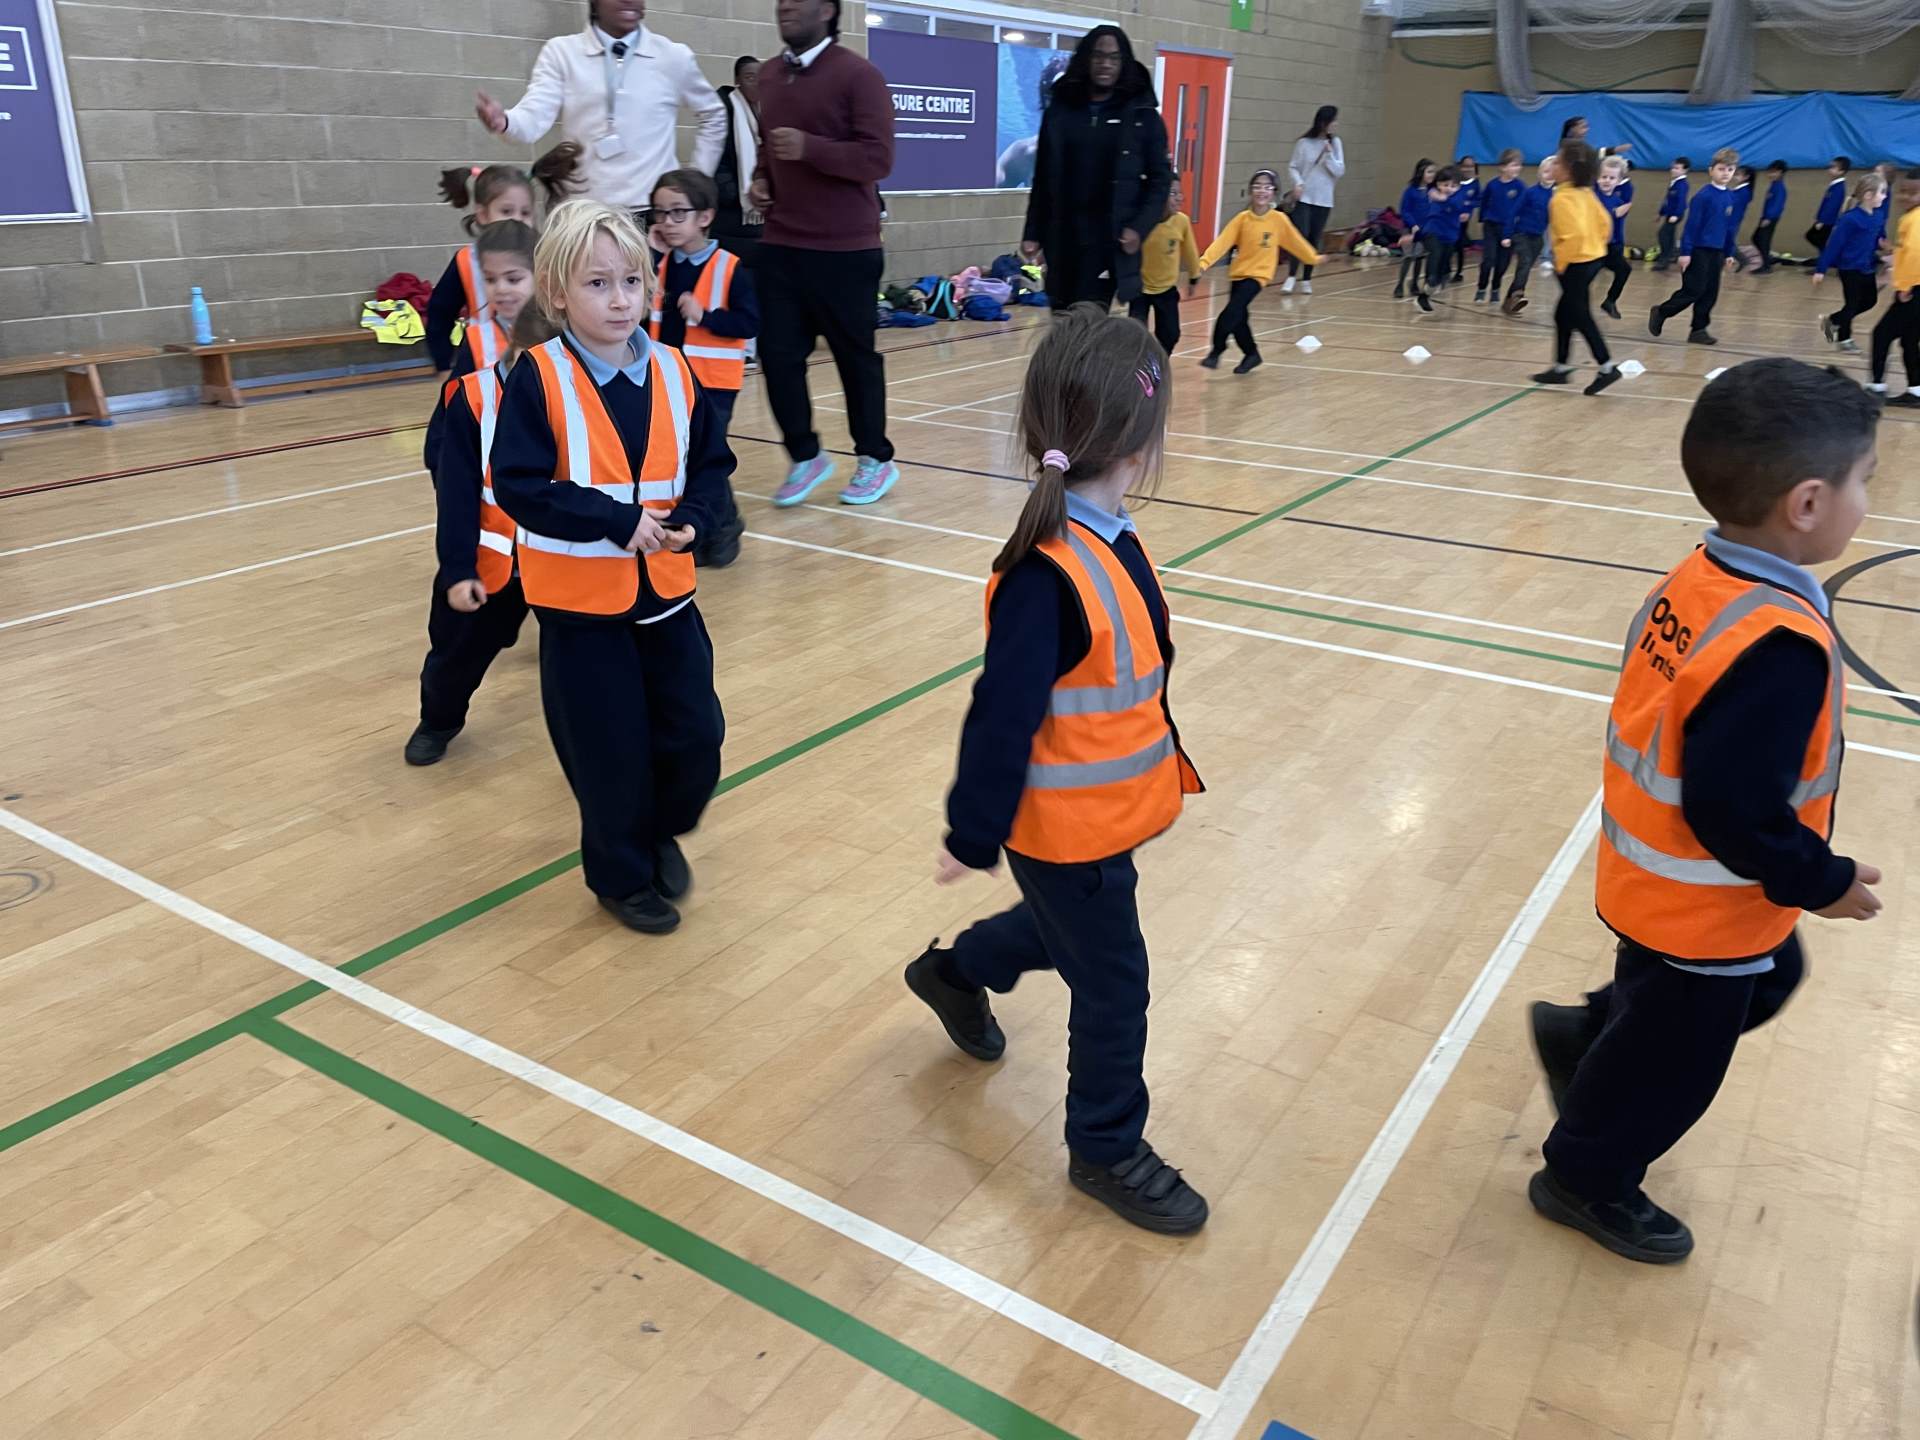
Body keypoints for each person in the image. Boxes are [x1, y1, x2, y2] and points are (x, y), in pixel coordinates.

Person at [1528, 357, 1882, 1264]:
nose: (1867, 501)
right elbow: (1736, 813)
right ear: (1807, 504)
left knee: (1762, 977)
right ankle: (1584, 1175)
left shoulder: (1702, 575)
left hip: (1656, 876)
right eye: (1864, 481)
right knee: (1676, 1068)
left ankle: (1586, 1037)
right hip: (1701, 902)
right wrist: (1823, 881)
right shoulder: (1775, 645)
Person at [906, 305, 1208, 1235]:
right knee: (1114, 984)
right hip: (1064, 834)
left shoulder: (1109, 535)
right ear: (1141, 443)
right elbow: (1001, 716)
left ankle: (954, 973)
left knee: (1067, 935)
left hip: (1101, 819)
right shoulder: (1047, 574)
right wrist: (971, 833)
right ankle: (1106, 1147)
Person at [490, 200, 732, 937]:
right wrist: (613, 519)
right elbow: (519, 486)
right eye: (597, 284)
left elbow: (711, 465)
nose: (620, 299)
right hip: (580, 612)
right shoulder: (539, 377)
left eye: (631, 281)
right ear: (558, 294)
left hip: (667, 599)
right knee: (608, 754)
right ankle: (621, 876)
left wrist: (697, 518)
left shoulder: (676, 371)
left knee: (696, 739)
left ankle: (658, 828)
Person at [406, 225, 547, 769]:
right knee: (456, 651)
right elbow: (452, 458)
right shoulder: (477, 358)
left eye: (514, 278)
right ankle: (438, 720)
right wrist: (458, 563)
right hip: (492, 551)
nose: (503, 290)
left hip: (559, 553)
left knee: (589, 656)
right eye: (492, 280)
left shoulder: (582, 354)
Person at [751, 0, 901, 510]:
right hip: (781, 243)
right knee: (777, 356)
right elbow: (767, 149)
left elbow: (878, 158)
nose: (785, 6)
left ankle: (875, 458)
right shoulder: (769, 76)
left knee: (855, 360)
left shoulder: (860, 75)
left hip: (845, 249)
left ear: (828, 10)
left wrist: (811, 148)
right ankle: (805, 455)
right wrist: (761, 180)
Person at [473, 0, 725, 215]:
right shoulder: (562, 52)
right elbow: (534, 116)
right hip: (584, 210)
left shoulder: (672, 56)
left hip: (653, 210)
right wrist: (504, 121)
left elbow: (714, 115)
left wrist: (696, 179)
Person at [1020, 26, 1173, 313]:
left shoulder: (1143, 117)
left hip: (1108, 238)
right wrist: (1032, 231)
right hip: (1063, 234)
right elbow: (1043, 178)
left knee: (1088, 315)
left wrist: (1139, 227)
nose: (1105, 64)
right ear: (1086, 59)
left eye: (1114, 58)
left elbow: (1160, 180)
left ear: (1123, 63)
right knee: (1062, 315)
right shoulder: (1060, 112)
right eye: (1099, 56)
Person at [646, 168, 755, 567]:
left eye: (678, 212)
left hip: (713, 384)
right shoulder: (659, 266)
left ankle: (724, 527)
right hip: (668, 381)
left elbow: (749, 323)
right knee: (682, 458)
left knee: (706, 456)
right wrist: (652, 252)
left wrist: (705, 315)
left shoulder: (730, 267)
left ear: (705, 217)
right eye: (660, 213)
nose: (667, 222)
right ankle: (704, 528)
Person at [425, 155, 584, 374]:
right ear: (483, 214)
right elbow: (440, 313)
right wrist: (444, 362)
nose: (516, 219)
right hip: (483, 360)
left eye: (525, 212)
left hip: (539, 355)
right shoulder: (466, 260)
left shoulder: (545, 255)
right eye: (507, 211)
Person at [1195, 169, 1321, 373]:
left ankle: (1216, 351)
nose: (1262, 191)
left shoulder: (1278, 220)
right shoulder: (1242, 219)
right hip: (1238, 274)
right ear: (1251, 191)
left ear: (1273, 192)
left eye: (1267, 187)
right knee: (1239, 319)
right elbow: (1222, 242)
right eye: (1257, 186)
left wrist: (1313, 258)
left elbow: (1296, 243)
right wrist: (1203, 263)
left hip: (1258, 277)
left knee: (1230, 312)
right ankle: (1252, 354)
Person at [1534, 141, 1620, 397]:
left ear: (1569, 169)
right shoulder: (1585, 192)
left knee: (1580, 315)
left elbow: (1573, 236)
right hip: (1593, 258)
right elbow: (1605, 223)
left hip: (1575, 263)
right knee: (1563, 314)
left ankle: (1607, 366)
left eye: (1557, 162)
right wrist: (1597, 245)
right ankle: (1560, 367)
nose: (1554, 165)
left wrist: (1561, 265)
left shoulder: (1561, 199)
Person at [1648, 148, 1740, 347]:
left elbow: (1730, 228)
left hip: (1717, 252)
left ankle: (1698, 330)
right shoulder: (1703, 196)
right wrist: (1686, 252)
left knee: (1710, 292)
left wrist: (1729, 252)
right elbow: (1692, 226)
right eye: (1721, 169)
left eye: (1730, 169)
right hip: (1699, 250)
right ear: (1711, 170)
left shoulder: (1731, 197)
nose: (1725, 173)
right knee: (1694, 290)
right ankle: (1662, 311)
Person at [1813, 173, 1889, 355]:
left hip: (1867, 267)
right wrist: (1821, 269)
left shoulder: (1878, 216)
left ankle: (1832, 321)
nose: (1885, 196)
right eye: (1882, 192)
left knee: (1870, 301)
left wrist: (1885, 247)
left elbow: (1879, 236)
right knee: (1852, 304)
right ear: (1868, 195)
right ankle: (1844, 340)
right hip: (1849, 268)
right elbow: (1834, 245)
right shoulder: (1850, 219)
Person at [1868, 169, 1920, 408]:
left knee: (1882, 334)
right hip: (1914, 288)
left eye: (1913, 192)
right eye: (1903, 191)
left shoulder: (1914, 219)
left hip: (1914, 290)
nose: (1906, 197)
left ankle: (1876, 387)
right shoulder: (1911, 217)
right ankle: (1916, 391)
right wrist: (1892, 251)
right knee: (1909, 340)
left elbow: (1915, 255)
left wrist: (1906, 287)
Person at [1130, 180, 1200, 354]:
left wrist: (1194, 277)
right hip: (1140, 289)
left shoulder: (1182, 221)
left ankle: (1158, 362)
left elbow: (1190, 252)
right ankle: (1138, 365)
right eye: (1173, 193)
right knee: (1136, 334)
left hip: (1166, 288)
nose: (1179, 198)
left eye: (1180, 193)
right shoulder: (1141, 220)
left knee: (1170, 335)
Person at [1282, 105, 1344, 294]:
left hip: (1324, 199)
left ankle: (1307, 279)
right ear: (1324, 122)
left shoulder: (1336, 143)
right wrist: (1298, 183)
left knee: (1314, 238)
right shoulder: (1304, 143)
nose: (1336, 124)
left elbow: (1339, 171)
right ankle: (1291, 276)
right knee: (1300, 235)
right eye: (1333, 120)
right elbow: (1293, 166)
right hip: (1304, 197)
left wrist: (1329, 155)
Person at [713, 55, 765, 261]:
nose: (757, 83)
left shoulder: (767, 113)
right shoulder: (723, 111)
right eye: (750, 78)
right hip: (732, 214)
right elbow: (717, 163)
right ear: (737, 81)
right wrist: (738, 194)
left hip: (762, 216)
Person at [1500, 155, 1554, 316]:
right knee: (1524, 262)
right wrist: (1506, 235)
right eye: (1546, 171)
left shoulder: (1556, 195)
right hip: (1521, 234)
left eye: (1553, 172)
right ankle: (1518, 294)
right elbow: (1513, 213)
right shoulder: (1530, 192)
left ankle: (1508, 303)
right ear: (1540, 173)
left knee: (1524, 268)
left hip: (1537, 238)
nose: (1549, 175)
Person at [1412, 165, 1468, 313]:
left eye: (1453, 186)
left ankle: (1424, 297)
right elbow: (1430, 192)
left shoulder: (1459, 196)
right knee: (1435, 255)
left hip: (1450, 236)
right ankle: (1430, 278)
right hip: (1433, 231)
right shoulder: (1433, 193)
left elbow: (1457, 204)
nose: (1449, 188)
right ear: (1438, 184)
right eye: (1445, 185)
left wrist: (1444, 198)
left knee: (1443, 270)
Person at [1477, 149, 1525, 304]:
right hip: (1491, 226)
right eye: (1514, 165)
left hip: (1509, 230)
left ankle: (1495, 288)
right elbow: (1484, 202)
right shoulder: (1492, 185)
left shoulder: (1520, 186)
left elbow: (1522, 208)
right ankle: (1481, 288)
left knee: (1502, 263)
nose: (1517, 168)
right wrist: (1483, 218)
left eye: (1519, 165)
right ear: (1503, 167)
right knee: (1488, 260)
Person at [1393, 158, 1436, 301]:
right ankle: (1400, 285)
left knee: (1420, 256)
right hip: (1410, 229)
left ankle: (1414, 284)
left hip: (1425, 229)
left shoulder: (1432, 192)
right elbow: (1405, 210)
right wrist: (1413, 225)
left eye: (1433, 172)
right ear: (1420, 172)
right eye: (1429, 172)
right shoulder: (1410, 191)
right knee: (1408, 256)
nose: (1432, 175)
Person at [1596, 156, 1634, 320]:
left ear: (1618, 181)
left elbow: (1618, 226)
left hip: (1611, 247)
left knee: (1624, 270)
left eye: (1612, 178)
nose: (1607, 181)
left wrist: (1619, 244)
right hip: (1594, 247)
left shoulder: (1618, 200)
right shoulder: (1592, 197)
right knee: (1583, 280)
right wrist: (1613, 214)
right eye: (1604, 177)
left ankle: (1610, 301)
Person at [1807, 156, 1851, 258]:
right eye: (1830, 166)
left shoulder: (1838, 188)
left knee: (1814, 237)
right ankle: (1825, 258)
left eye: (1833, 167)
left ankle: (1828, 257)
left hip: (1828, 221)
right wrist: (1818, 217)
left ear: (1841, 171)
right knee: (1817, 239)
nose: (1830, 169)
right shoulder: (1834, 186)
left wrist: (1822, 221)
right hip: (1825, 220)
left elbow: (1832, 206)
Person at [1652, 158, 1690, 273]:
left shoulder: (1682, 184)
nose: (1673, 170)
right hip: (1669, 214)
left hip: (1675, 215)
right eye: (1673, 168)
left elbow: (1681, 202)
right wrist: (1661, 213)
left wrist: (1676, 215)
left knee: (1663, 234)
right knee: (1669, 235)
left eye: (1677, 168)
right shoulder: (1674, 183)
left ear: (1685, 170)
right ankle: (1670, 255)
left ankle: (1665, 259)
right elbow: (1667, 201)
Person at [1753, 160, 1787, 276]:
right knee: (1757, 238)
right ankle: (1767, 259)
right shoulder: (1773, 185)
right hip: (1765, 217)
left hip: (1770, 218)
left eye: (1774, 172)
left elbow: (1778, 205)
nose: (1770, 174)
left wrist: (1768, 218)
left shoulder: (1780, 188)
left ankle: (1766, 266)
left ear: (1780, 173)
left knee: (1763, 240)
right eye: (1770, 172)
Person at [1450, 154, 1480, 283]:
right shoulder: (1453, 181)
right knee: (1448, 243)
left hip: (1463, 220)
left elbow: (1478, 199)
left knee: (1459, 243)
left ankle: (1459, 271)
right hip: (1450, 218)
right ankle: (1445, 269)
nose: (1468, 169)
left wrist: (1468, 210)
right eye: (1465, 166)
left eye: (1471, 166)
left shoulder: (1475, 184)